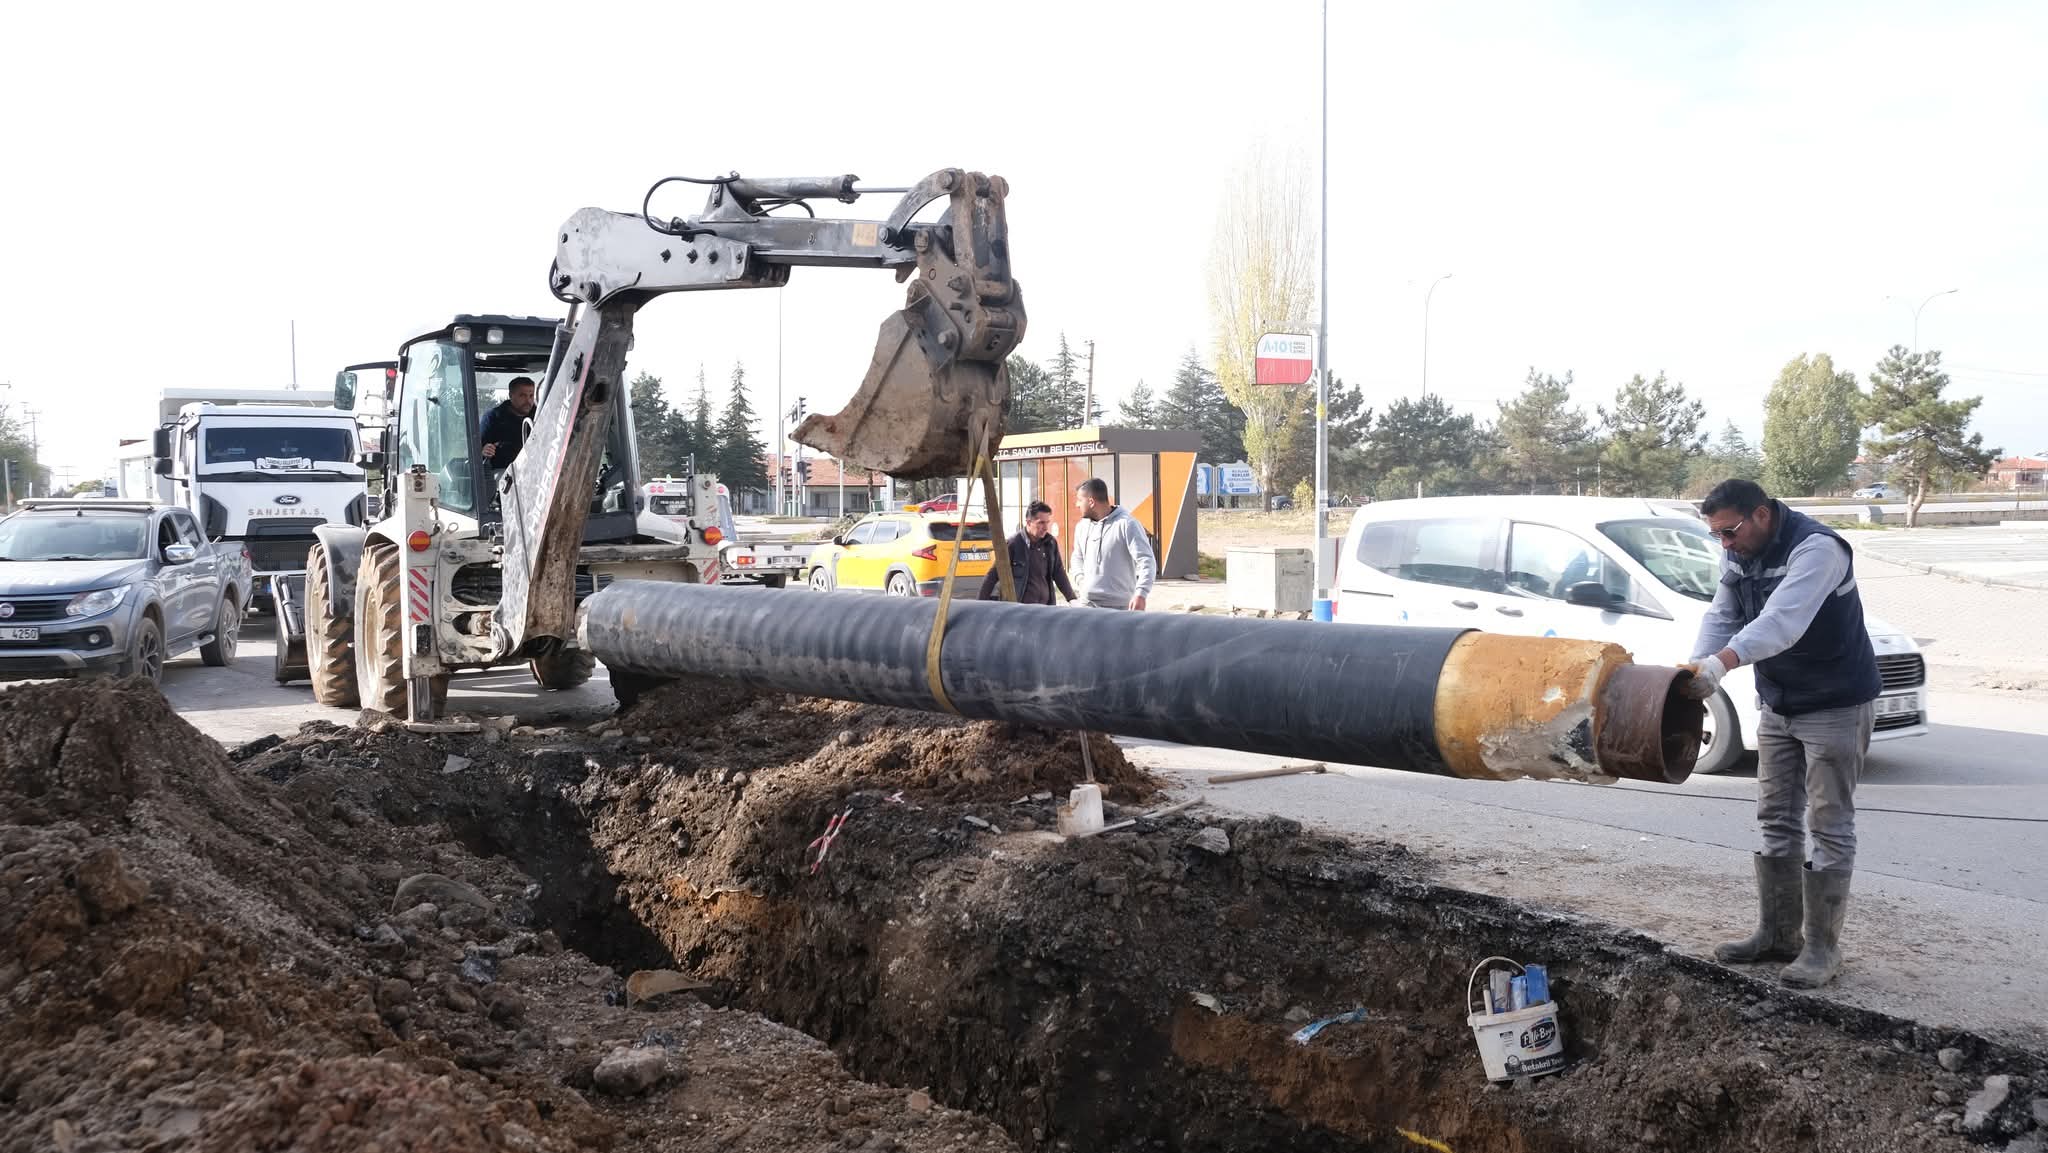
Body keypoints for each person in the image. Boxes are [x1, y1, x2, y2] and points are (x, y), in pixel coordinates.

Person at [1682, 478, 1881, 989]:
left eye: (1729, 531)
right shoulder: (1738, 554)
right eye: (1716, 536)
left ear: (1763, 514)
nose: (1724, 544)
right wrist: (1695, 666)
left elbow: (1782, 623)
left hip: (1835, 703)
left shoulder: (1819, 550)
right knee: (1775, 816)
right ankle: (1777, 934)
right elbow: (1723, 614)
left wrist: (1722, 665)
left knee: (1829, 822)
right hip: (1779, 702)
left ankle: (1821, 949)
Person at [1069, 478, 1156, 610]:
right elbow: (1077, 558)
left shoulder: (1127, 524)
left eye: (1080, 500)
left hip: (1119, 608)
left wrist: (1141, 594)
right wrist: (1082, 582)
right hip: (1087, 606)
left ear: (1091, 502)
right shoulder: (1082, 527)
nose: (1077, 504)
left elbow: (1147, 561)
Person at [978, 500, 1075, 605]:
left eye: (1047, 522)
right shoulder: (1013, 544)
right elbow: (993, 575)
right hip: (1020, 610)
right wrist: (980, 605)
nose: (1046, 528)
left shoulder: (1050, 543)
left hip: (1045, 609)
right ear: (1029, 522)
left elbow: (1058, 572)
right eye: (1041, 523)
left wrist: (1072, 598)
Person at [480, 377, 537, 470]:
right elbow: (478, 453)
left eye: (531, 395)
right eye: (522, 396)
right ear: (511, 395)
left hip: (536, 471)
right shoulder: (492, 418)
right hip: (503, 475)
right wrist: (484, 451)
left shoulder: (540, 416)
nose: (528, 401)